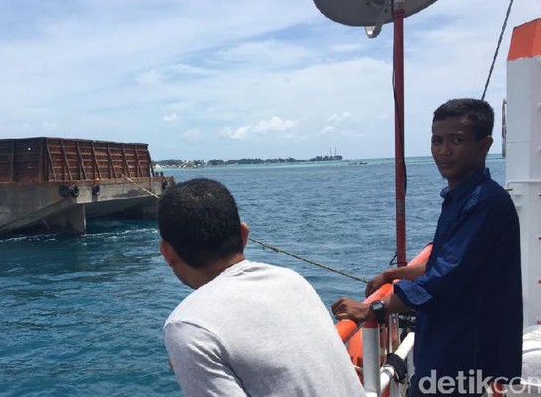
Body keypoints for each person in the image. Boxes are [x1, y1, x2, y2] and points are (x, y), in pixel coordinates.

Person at [331, 98, 522, 396]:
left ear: (485, 144)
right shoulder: (462, 198)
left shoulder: (484, 203)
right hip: (448, 344)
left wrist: (375, 309)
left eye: (456, 141)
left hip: (463, 351)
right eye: (437, 140)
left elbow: (446, 277)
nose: (444, 151)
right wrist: (393, 274)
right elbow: (448, 262)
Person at [158, 178, 365, 397]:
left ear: (167, 253)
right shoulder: (292, 280)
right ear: (244, 234)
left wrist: (189, 362)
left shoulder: (189, 326)